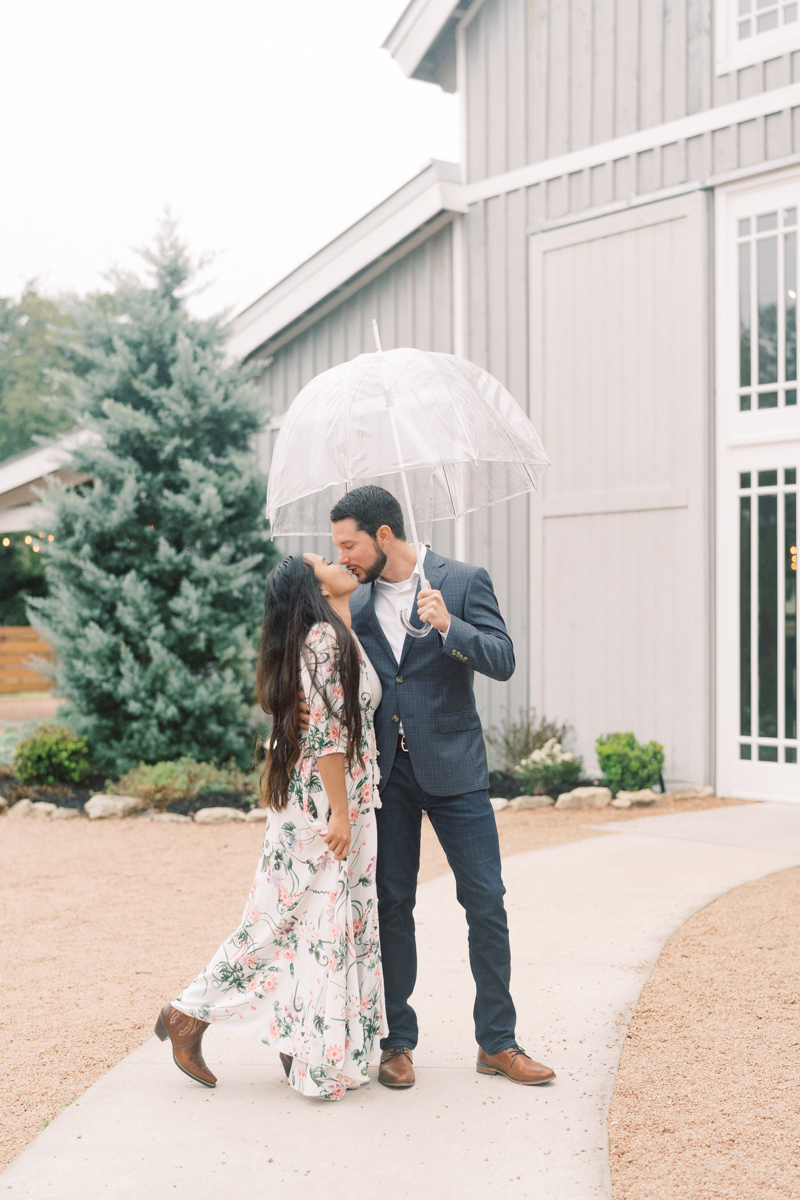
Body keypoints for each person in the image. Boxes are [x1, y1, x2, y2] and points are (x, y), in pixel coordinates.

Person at [327, 484, 555, 1090]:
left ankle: (498, 1042)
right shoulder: (358, 597)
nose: (343, 557)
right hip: (389, 777)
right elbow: (344, 676)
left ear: (383, 535)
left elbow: (503, 658)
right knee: (392, 906)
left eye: (349, 544)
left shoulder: (462, 580)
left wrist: (451, 626)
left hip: (456, 770)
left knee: (486, 901)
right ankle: (396, 1041)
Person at [154, 552, 386, 1102]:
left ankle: (295, 1038)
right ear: (313, 588)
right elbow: (328, 735)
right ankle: (192, 1014)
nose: (339, 560)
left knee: (297, 921)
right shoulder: (322, 641)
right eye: (326, 560)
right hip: (325, 805)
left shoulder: (327, 633)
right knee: (291, 922)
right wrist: (342, 814)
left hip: (318, 800)